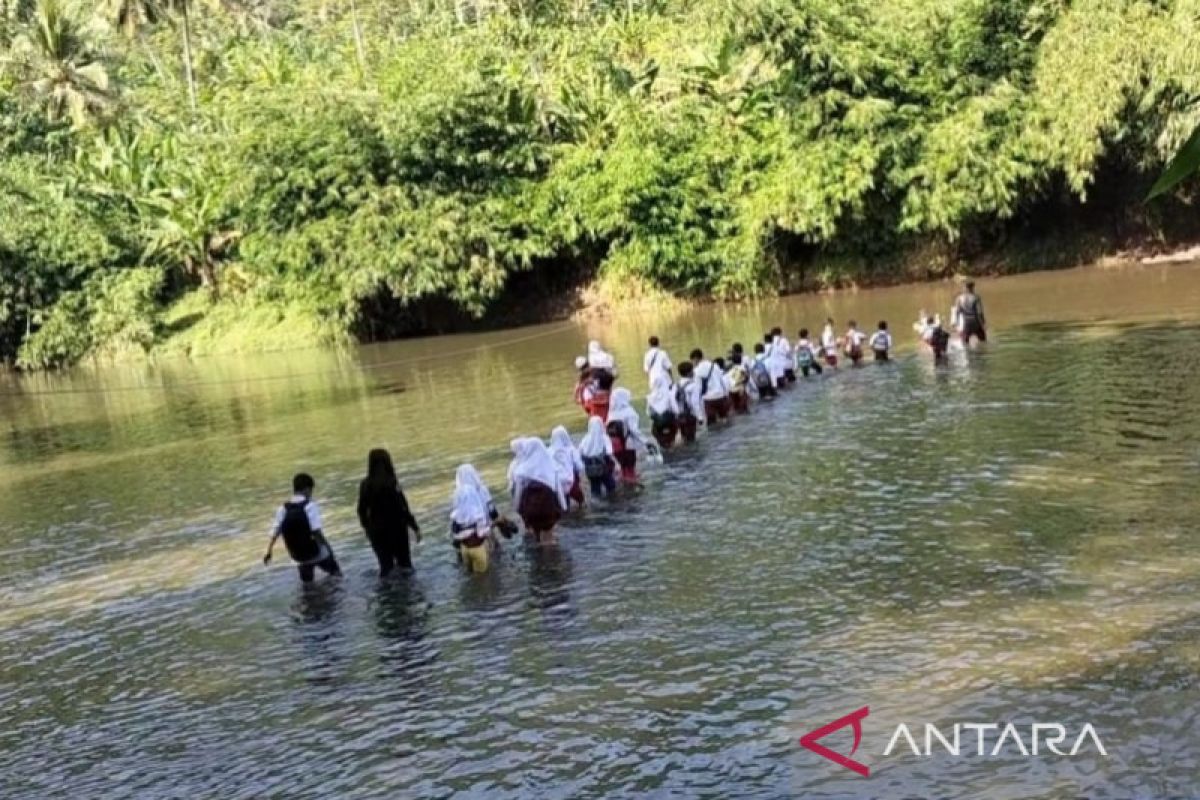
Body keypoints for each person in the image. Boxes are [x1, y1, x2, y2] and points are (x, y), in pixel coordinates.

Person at [264, 472, 343, 583]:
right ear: (307, 489)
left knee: (307, 586)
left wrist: (269, 552)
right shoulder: (310, 506)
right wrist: (328, 549)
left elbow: (275, 532)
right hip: (317, 553)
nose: (311, 494)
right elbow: (316, 532)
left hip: (298, 557)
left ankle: (308, 599)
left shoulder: (283, 509)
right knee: (337, 575)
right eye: (311, 491)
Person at [357, 449, 422, 577]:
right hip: (397, 529)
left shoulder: (365, 484)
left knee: (385, 567)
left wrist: (367, 528)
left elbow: (361, 510)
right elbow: (403, 507)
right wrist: (415, 527)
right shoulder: (392, 482)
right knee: (405, 565)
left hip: (377, 531)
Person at [449, 464, 506, 574]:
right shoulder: (482, 490)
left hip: (464, 540)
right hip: (483, 534)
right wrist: (500, 523)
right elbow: (492, 512)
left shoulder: (458, 494)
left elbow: (455, 519)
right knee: (490, 569)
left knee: (469, 571)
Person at [508, 437, 566, 542]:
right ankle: (550, 554)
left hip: (531, 512)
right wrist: (563, 507)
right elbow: (559, 491)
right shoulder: (552, 466)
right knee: (548, 536)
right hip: (549, 510)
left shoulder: (522, 470)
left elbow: (518, 495)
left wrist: (518, 510)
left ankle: (538, 551)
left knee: (535, 535)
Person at [607, 387, 654, 485]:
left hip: (615, 447)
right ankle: (634, 490)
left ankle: (625, 486)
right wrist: (646, 442)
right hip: (628, 445)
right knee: (631, 469)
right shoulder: (629, 412)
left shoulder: (611, 413)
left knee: (623, 468)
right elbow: (634, 431)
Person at [578, 416, 618, 498]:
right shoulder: (604, 438)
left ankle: (597, 505)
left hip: (590, 471)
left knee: (595, 489)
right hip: (603, 469)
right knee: (611, 486)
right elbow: (609, 453)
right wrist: (617, 464)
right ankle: (613, 503)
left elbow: (579, 453)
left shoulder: (585, 439)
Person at [549, 425, 586, 509]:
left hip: (555, 483)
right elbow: (579, 466)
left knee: (564, 505)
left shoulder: (549, 451)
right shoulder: (571, 449)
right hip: (570, 481)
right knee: (582, 502)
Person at [691, 349, 732, 425]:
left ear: (695, 359)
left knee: (712, 424)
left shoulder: (696, 371)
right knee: (725, 420)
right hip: (721, 396)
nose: (693, 363)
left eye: (692, 361)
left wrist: (699, 415)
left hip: (709, 399)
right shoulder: (715, 365)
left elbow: (697, 390)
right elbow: (722, 382)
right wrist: (726, 395)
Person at [646, 369, 681, 448]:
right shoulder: (669, 394)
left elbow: (648, 413)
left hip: (657, 424)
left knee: (659, 438)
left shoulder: (650, 397)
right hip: (670, 421)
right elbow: (675, 409)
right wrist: (677, 415)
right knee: (673, 439)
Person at [676, 361, 704, 442]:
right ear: (689, 373)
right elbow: (695, 403)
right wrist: (700, 417)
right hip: (689, 416)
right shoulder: (693, 385)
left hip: (680, 416)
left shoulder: (677, 385)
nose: (694, 372)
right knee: (691, 439)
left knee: (684, 437)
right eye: (692, 370)